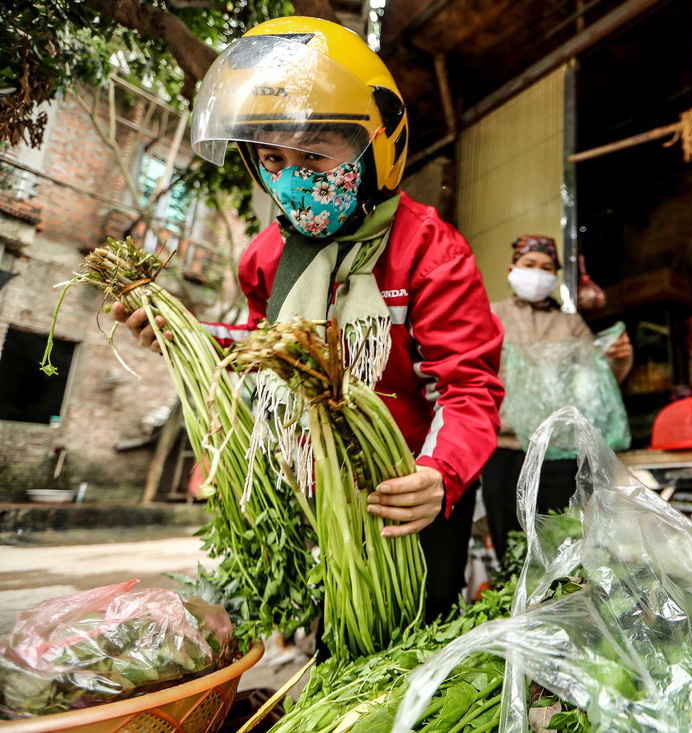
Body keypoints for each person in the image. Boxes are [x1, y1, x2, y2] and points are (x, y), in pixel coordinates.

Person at [111, 17, 504, 622]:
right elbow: (264, 348)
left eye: (315, 152)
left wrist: (439, 475)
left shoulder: (431, 252)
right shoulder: (265, 257)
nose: (292, 176)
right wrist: (185, 334)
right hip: (319, 488)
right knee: (335, 631)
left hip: (411, 492)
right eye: (272, 157)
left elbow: (468, 387)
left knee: (419, 626)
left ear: (379, 148)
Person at [481, 235, 632, 561]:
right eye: (529, 265)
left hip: (560, 456)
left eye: (546, 267)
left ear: (555, 276)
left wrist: (618, 359)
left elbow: (598, 388)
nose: (537, 273)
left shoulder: (570, 323)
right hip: (505, 453)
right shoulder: (490, 316)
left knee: (563, 548)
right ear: (512, 269)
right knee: (511, 551)